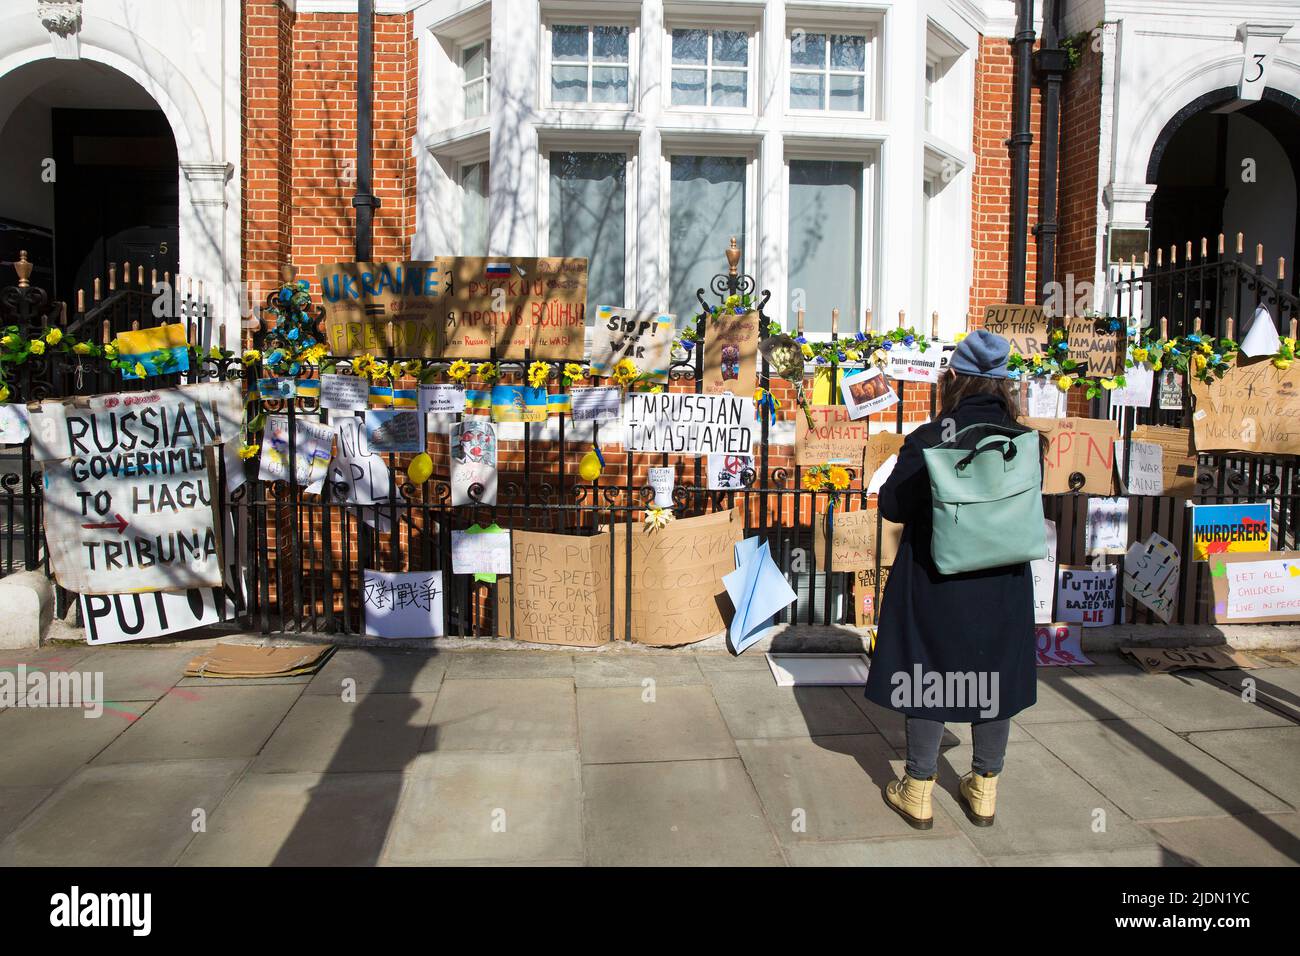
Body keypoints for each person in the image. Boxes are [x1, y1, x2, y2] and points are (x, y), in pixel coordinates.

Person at [863, 329, 1037, 829]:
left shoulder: (930, 438)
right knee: (995, 672)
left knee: (930, 672)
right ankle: (984, 786)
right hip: (1002, 580)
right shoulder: (1026, 442)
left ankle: (917, 789)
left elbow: (893, 507)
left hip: (937, 577)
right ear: (1003, 385)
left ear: (954, 377)